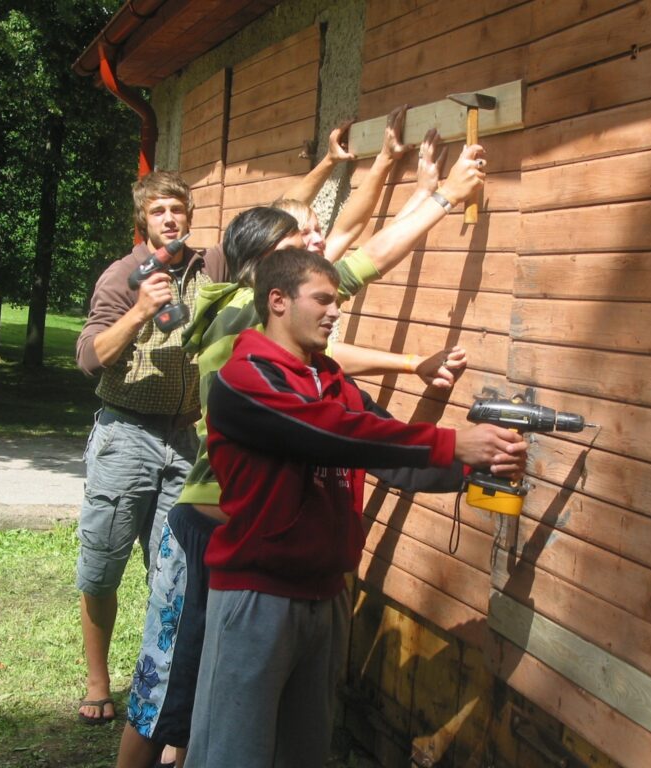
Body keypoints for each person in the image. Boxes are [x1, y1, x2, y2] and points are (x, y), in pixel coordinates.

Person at [116, 133, 487, 767]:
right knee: (168, 695)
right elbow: (363, 258)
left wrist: (397, 177)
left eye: (315, 239)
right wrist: (443, 198)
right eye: (301, 242)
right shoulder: (237, 317)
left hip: (277, 551)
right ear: (267, 276)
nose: (318, 245)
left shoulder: (298, 345)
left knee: (225, 710)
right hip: (214, 534)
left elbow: (350, 253)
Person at [184, 248, 528, 768]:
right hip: (257, 597)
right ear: (277, 301)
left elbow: (391, 460)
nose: (334, 312)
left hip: (327, 597)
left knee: (305, 754)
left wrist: (479, 466)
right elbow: (325, 434)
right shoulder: (244, 378)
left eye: (337, 301)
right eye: (322, 299)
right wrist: (451, 442)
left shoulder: (336, 382)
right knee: (232, 755)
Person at [73, 171, 226, 726]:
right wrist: (139, 309)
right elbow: (90, 357)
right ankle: (97, 681)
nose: (170, 219)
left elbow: (277, 220)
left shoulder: (208, 267)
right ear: (144, 219)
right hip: (126, 435)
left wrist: (329, 165)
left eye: (178, 209)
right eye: (159, 210)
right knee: (102, 566)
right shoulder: (122, 276)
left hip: (184, 437)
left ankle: (157, 678)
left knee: (178, 568)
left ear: (189, 215)